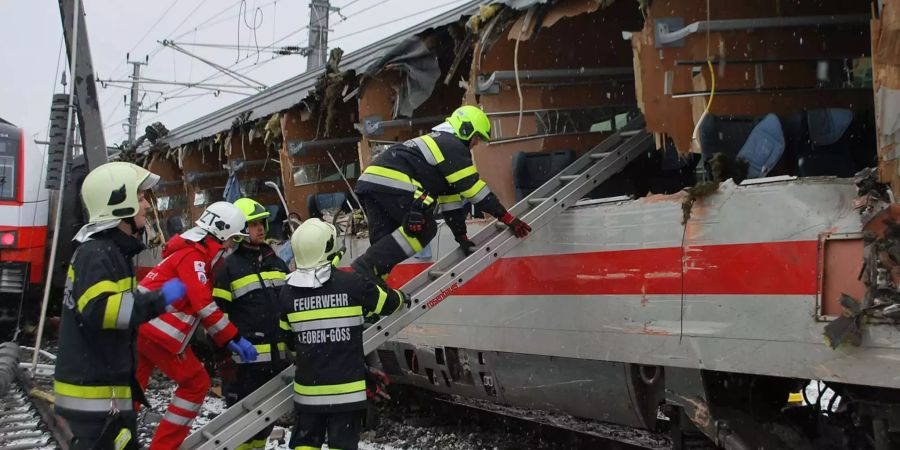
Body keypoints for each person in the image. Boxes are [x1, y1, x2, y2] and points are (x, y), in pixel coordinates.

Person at [55, 162, 186, 450]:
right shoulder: (97, 254)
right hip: (95, 400)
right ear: (119, 203)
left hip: (103, 397)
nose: (146, 207)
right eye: (140, 198)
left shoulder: (107, 252)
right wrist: (160, 298)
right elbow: (104, 311)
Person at [352, 105, 532, 285]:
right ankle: (365, 267)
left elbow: (450, 201)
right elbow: (473, 189)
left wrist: (461, 237)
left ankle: (368, 287)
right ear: (466, 129)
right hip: (394, 182)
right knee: (424, 228)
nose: (475, 144)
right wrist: (507, 217)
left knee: (384, 246)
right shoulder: (452, 145)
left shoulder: (440, 146)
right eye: (476, 138)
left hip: (372, 182)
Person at [135, 201, 258, 450]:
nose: (232, 245)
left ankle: (112, 438)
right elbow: (204, 306)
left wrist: (225, 337)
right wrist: (233, 337)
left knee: (132, 390)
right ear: (221, 233)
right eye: (232, 238)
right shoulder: (195, 258)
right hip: (158, 334)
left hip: (140, 330)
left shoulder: (190, 252)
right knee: (196, 383)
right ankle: (163, 447)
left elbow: (199, 308)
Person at [280, 219, 405, 450]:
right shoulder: (351, 283)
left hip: (308, 394)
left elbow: (288, 339)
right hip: (346, 394)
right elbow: (388, 304)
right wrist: (401, 298)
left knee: (305, 445)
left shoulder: (287, 292)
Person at [212, 197, 290, 450]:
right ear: (239, 229)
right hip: (243, 366)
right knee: (240, 428)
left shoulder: (277, 264)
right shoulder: (227, 268)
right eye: (253, 224)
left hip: (275, 362)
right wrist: (223, 357)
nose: (261, 229)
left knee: (264, 425)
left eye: (262, 223)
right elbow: (216, 317)